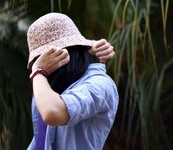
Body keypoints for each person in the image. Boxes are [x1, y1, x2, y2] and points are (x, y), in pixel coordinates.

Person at [26, 13, 119, 150]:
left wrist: (38, 71)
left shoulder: (100, 84)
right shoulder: (46, 87)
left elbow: (52, 113)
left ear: (63, 56)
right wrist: (88, 45)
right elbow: (40, 140)